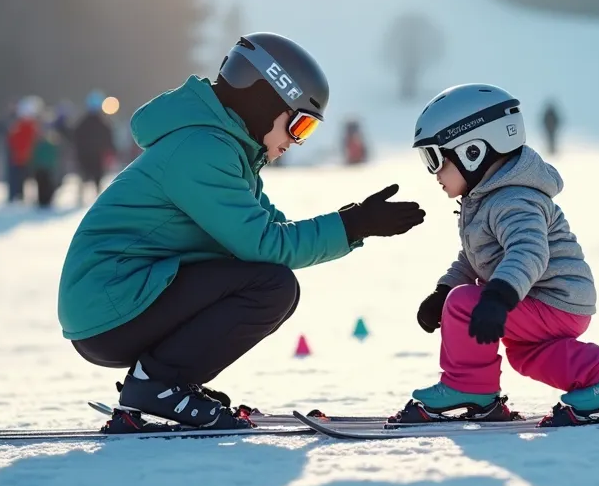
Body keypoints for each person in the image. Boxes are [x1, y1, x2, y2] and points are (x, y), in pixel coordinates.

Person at [57, 32, 426, 430]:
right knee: (271, 286)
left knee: (267, 281)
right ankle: (157, 385)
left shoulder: (226, 151)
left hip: (126, 296)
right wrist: (352, 224)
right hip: (111, 303)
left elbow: (273, 228)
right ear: (266, 101)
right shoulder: (202, 151)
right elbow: (266, 245)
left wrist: (355, 222)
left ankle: (166, 382)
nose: (295, 142)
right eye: (299, 126)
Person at [407, 83, 599, 427]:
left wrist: (498, 296)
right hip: (550, 301)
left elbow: (529, 252)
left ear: (473, 151)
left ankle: (470, 389)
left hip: (552, 297)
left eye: (436, 158)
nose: (434, 173)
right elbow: (475, 256)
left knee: (465, 303)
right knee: (526, 356)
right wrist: (442, 291)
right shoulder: (485, 200)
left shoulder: (513, 199)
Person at [73, 91, 115, 203]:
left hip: (85, 154)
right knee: (97, 176)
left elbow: (75, 136)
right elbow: (109, 139)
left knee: (84, 176)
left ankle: (81, 197)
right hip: (96, 154)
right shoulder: (103, 122)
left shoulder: (82, 122)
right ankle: (96, 195)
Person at [7, 97, 41, 203]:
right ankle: (18, 196)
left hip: (25, 157)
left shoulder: (24, 126)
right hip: (22, 157)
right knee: (20, 178)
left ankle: (21, 196)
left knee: (24, 178)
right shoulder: (23, 126)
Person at [31, 122, 62, 209]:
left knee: (47, 185)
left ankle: (46, 201)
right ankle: (42, 201)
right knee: (42, 185)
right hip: (42, 168)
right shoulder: (39, 144)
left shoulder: (49, 144)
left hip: (47, 168)